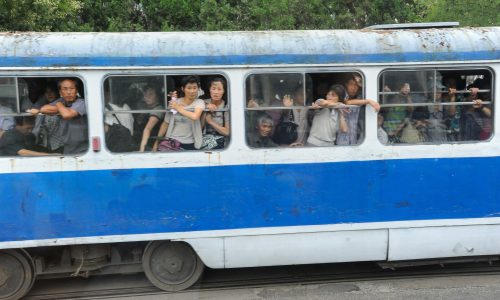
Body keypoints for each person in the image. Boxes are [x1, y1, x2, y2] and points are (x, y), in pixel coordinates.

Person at [153, 75, 205, 151]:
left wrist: (177, 108)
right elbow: (165, 124)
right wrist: (156, 143)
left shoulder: (199, 102)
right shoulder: (175, 102)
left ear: (198, 89)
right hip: (172, 142)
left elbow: (195, 116)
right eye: (189, 88)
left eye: (194, 88)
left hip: (190, 143)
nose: (192, 91)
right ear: (183, 89)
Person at [40, 78, 88, 154]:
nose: (68, 92)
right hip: (67, 146)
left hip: (84, 148)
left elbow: (67, 115)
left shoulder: (81, 102)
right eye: (65, 89)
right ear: (60, 92)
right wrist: (62, 108)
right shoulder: (62, 101)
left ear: (76, 91)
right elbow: (43, 109)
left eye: (72, 89)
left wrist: (58, 104)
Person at [343, 74, 380, 142]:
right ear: (346, 85)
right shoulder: (342, 94)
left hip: (356, 132)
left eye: (356, 85)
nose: (353, 88)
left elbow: (370, 92)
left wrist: (362, 83)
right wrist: (368, 101)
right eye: (351, 84)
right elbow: (346, 102)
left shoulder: (360, 95)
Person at [29, 82, 64, 153]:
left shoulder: (62, 104)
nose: (49, 94)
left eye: (52, 91)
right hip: (44, 145)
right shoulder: (43, 105)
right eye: (46, 92)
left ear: (57, 93)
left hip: (59, 145)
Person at [201, 77, 230, 150]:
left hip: (222, 143)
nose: (216, 92)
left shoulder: (226, 106)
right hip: (202, 139)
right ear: (209, 90)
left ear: (223, 91)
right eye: (213, 89)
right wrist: (206, 106)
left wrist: (211, 122)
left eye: (219, 89)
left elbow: (227, 132)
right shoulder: (202, 102)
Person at [137, 85, 165, 152]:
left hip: (152, 145)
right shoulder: (147, 109)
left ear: (157, 96)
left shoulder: (158, 109)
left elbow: (148, 129)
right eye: (145, 94)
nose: (147, 97)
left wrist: (141, 150)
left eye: (151, 94)